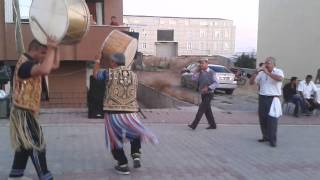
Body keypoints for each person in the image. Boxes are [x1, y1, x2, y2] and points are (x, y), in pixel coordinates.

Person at [93, 52, 158, 175]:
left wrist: (97, 60)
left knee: (114, 138)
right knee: (134, 132)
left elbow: (96, 75)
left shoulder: (109, 73)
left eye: (110, 61)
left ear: (113, 62)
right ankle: (136, 155)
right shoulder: (134, 75)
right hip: (131, 112)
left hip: (113, 113)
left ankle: (123, 164)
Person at [8, 38, 60, 180]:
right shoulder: (25, 65)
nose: (45, 56)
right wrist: (51, 48)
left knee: (25, 145)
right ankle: (45, 176)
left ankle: (16, 175)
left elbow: (54, 65)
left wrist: (55, 48)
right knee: (37, 145)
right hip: (23, 113)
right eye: (44, 53)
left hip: (25, 112)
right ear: (35, 50)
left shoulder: (30, 62)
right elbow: (46, 69)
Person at [250, 57, 284, 147]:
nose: (266, 65)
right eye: (265, 63)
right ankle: (265, 136)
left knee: (272, 120)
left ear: (273, 64)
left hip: (273, 99)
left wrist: (267, 73)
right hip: (262, 97)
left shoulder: (278, 71)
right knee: (263, 119)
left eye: (268, 63)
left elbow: (279, 79)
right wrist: (255, 72)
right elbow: (251, 82)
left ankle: (273, 140)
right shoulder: (261, 73)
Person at [188, 58, 219, 130]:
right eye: (200, 63)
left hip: (209, 94)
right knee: (208, 111)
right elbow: (193, 79)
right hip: (203, 94)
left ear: (207, 63)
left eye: (202, 63)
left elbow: (217, 83)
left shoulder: (212, 72)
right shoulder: (201, 72)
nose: (201, 64)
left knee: (201, 109)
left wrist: (208, 88)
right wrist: (195, 71)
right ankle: (213, 125)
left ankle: (194, 125)